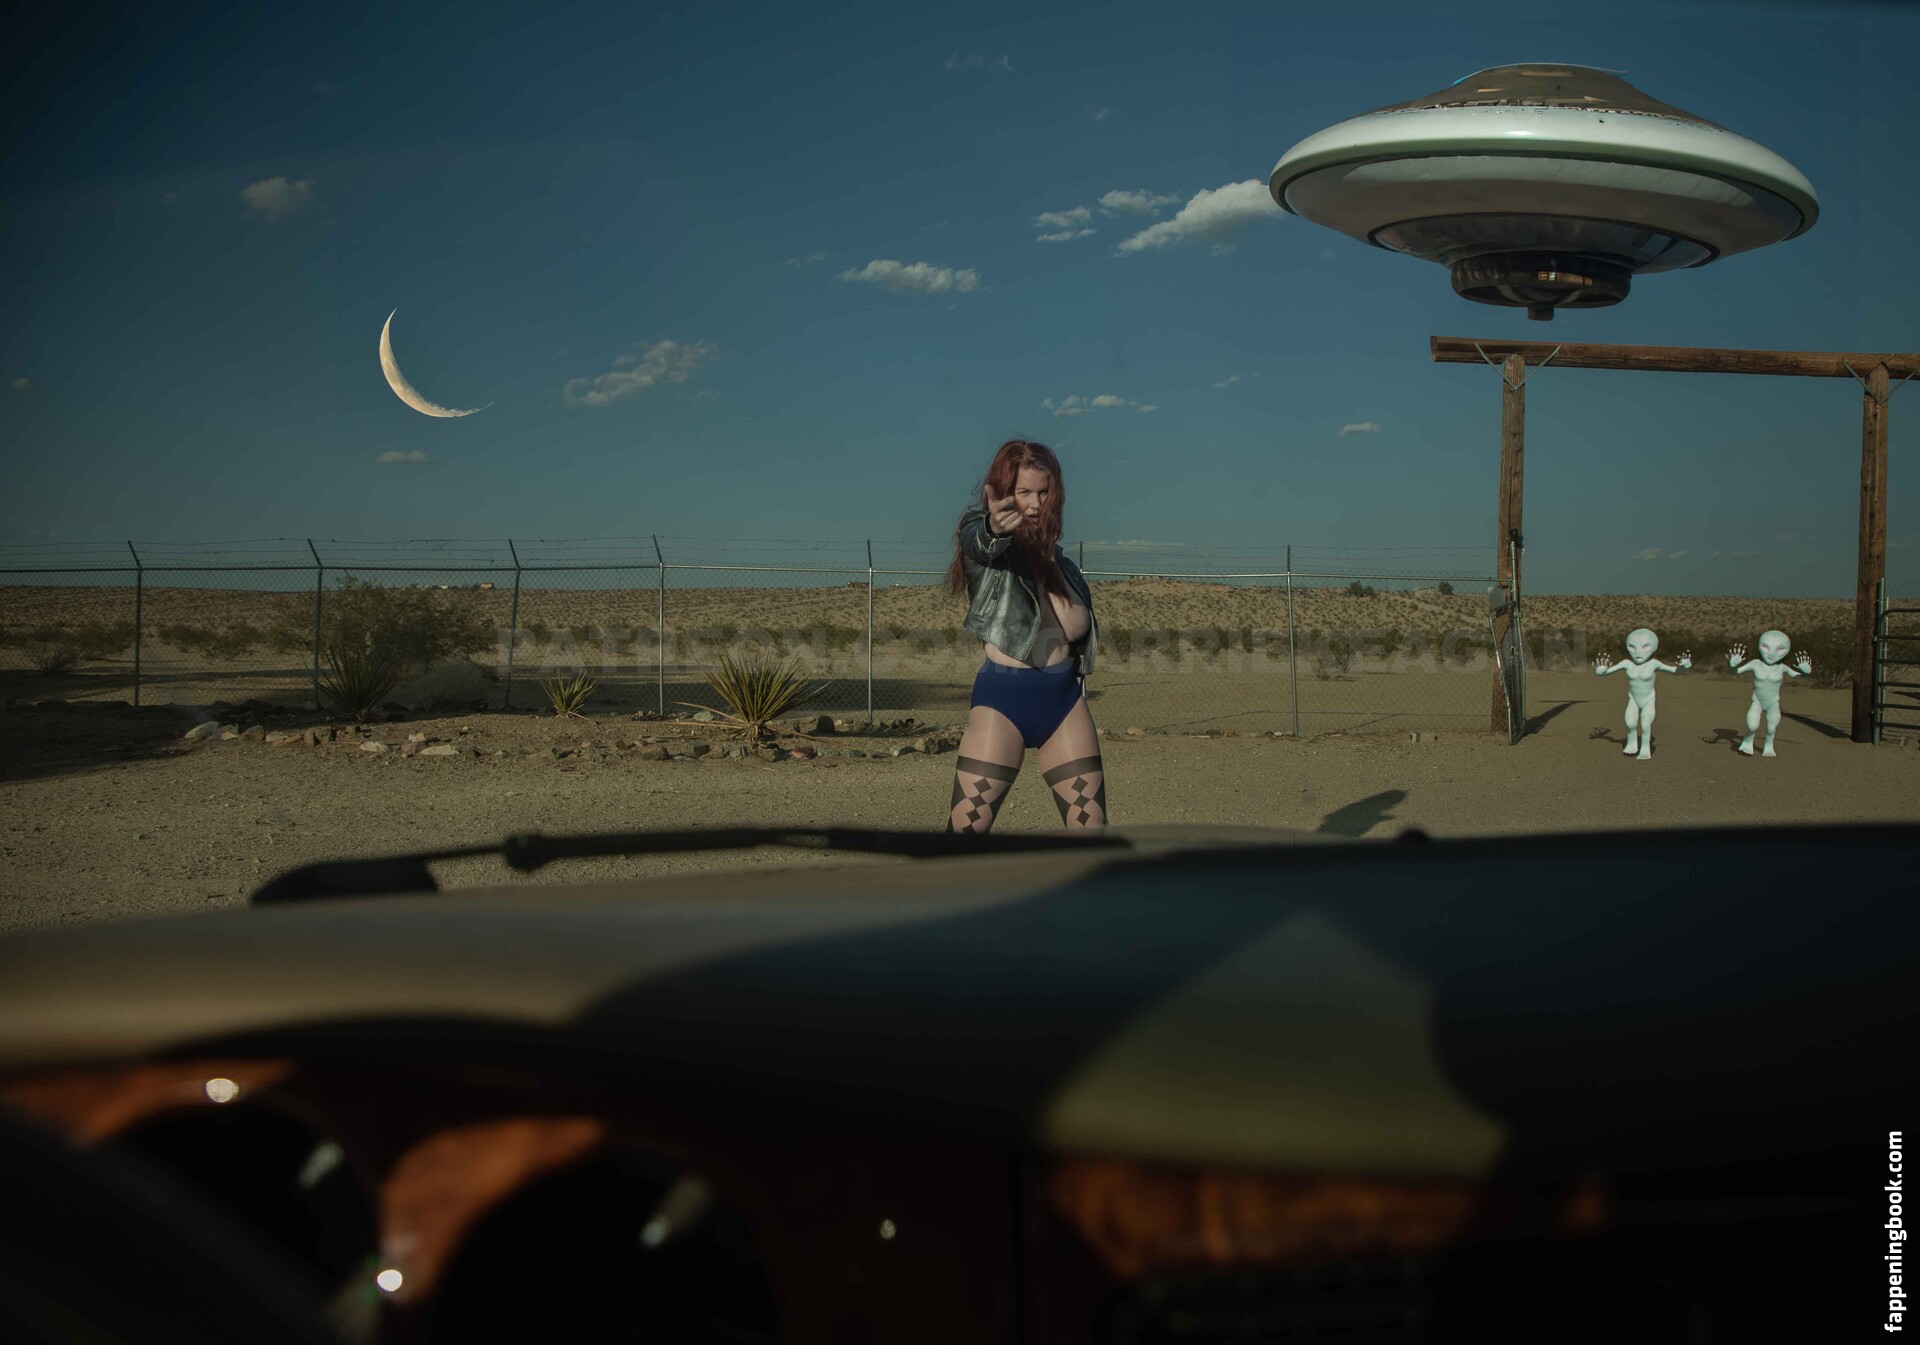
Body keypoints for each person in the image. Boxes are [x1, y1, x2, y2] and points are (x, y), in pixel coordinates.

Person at [943, 439, 1104, 833]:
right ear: (1004, 492)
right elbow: (978, 541)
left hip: (1064, 701)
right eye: (1023, 492)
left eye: (1043, 492)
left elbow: (1074, 628)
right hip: (1003, 702)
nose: (1034, 504)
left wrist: (1048, 561)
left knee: (1091, 834)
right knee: (965, 837)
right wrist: (993, 528)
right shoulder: (991, 551)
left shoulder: (1060, 562)